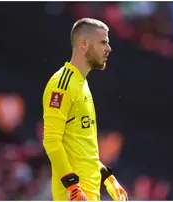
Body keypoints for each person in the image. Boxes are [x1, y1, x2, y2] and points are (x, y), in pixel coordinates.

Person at [42, 18, 128, 201]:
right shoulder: (61, 84)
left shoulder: (82, 84)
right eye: (103, 42)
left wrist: (106, 176)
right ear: (84, 43)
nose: (109, 48)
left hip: (89, 194)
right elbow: (51, 141)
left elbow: (81, 148)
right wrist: (72, 185)